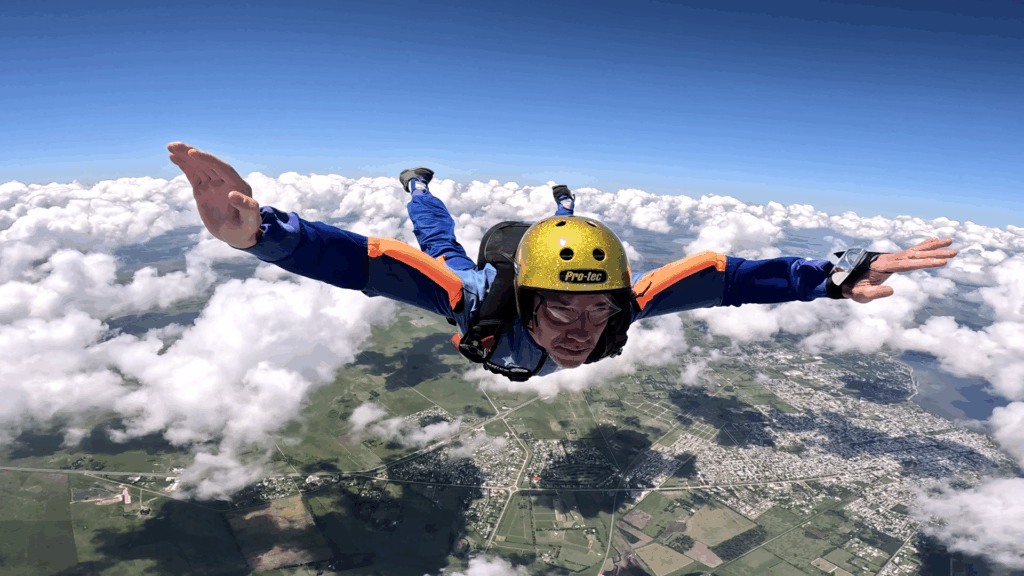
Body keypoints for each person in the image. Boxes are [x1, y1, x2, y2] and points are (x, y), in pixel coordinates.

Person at [168, 142, 959, 381]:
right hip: (489, 268)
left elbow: (723, 276)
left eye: (598, 309)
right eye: (563, 309)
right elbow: (369, 261)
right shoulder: (477, 299)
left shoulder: (622, 304)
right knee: (441, 246)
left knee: (568, 239)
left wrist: (834, 274)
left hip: (534, 268)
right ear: (523, 304)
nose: (584, 329)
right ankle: (418, 185)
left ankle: (565, 209)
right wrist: (259, 231)